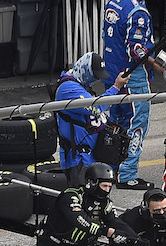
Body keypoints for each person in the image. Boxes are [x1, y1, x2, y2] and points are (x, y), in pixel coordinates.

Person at [102, 0, 160, 190]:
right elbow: (136, 49)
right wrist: (155, 62)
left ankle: (111, 168)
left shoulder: (115, 1)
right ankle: (126, 175)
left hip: (112, 72)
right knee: (137, 123)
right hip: (131, 75)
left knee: (115, 123)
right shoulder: (138, 12)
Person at [30, 163, 135, 246]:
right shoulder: (71, 195)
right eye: (104, 186)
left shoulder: (105, 204)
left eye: (109, 187)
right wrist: (106, 231)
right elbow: (79, 219)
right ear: (91, 182)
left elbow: (116, 223)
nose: (107, 190)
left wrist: (135, 238)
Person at [53, 52, 131, 186]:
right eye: (95, 76)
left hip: (92, 157)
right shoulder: (68, 88)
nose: (97, 80)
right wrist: (116, 87)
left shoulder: (80, 85)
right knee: (83, 195)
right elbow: (96, 107)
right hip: (78, 160)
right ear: (85, 71)